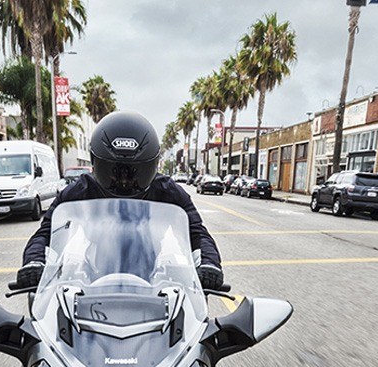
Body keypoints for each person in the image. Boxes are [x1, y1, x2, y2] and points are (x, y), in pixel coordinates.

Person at [15, 111, 224, 290]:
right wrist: (35, 262)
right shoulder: (81, 189)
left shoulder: (168, 191)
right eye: (114, 171)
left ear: (152, 165)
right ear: (96, 163)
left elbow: (197, 233)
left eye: (134, 172)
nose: (124, 180)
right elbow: (46, 233)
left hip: (151, 278)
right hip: (93, 277)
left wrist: (209, 264)